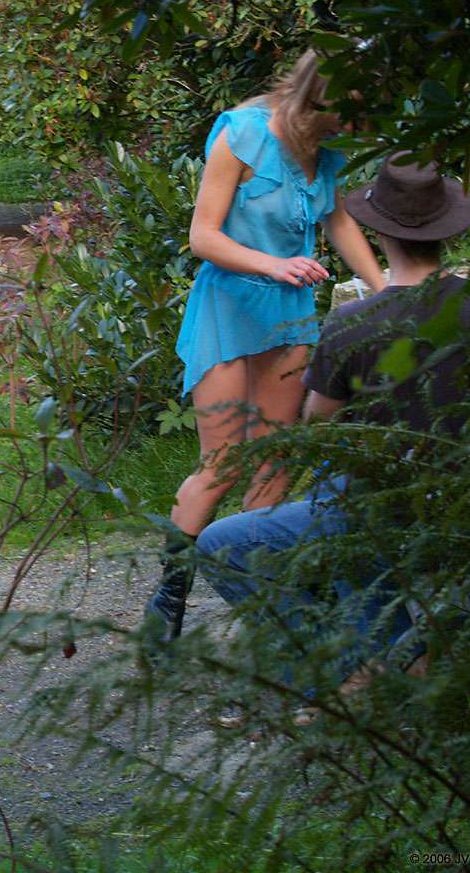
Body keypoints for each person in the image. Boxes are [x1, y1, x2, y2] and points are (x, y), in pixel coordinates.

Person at [188, 154, 470, 694]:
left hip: (388, 507)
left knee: (222, 544)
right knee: (339, 489)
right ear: (447, 231)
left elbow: (317, 424)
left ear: (379, 232)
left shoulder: (355, 323)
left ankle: (342, 675)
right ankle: (400, 652)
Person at [147, 50, 386, 640]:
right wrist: (273, 264)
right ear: (320, 103)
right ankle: (170, 594)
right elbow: (203, 237)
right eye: (348, 116)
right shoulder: (242, 134)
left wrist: (388, 292)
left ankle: (262, 596)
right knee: (223, 463)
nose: (354, 129)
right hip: (228, 307)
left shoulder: (326, 151)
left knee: (275, 458)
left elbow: (338, 221)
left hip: (288, 313)